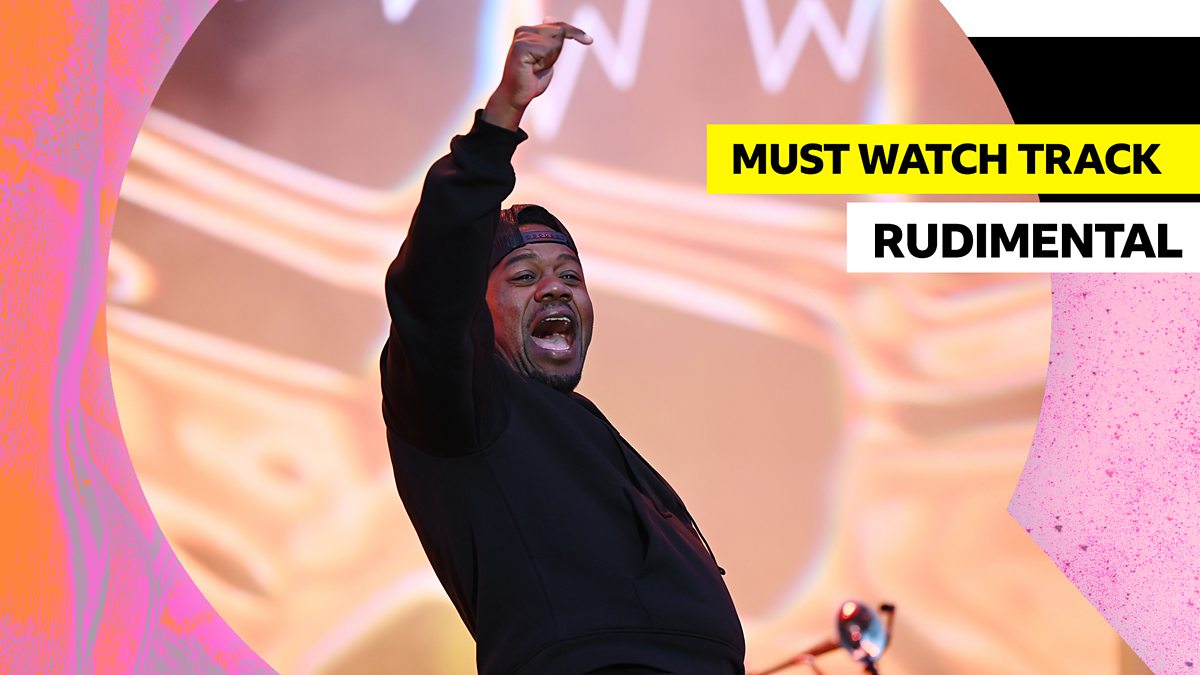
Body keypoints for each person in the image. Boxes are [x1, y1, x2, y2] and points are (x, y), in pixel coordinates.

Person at [380, 22, 745, 674]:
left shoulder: (591, 437)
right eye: (524, 276)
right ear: (474, 310)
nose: (555, 288)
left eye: (571, 276)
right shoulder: (467, 407)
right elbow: (432, 290)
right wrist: (502, 118)